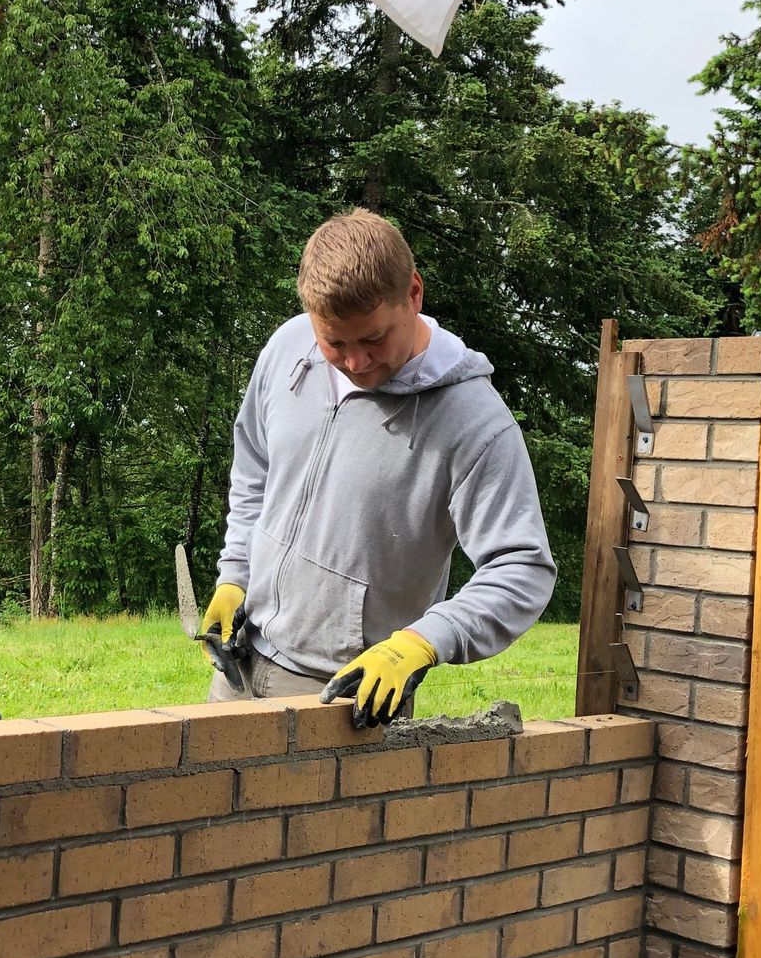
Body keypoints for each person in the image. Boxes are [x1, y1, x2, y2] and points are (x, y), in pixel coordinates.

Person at [199, 208, 556, 725]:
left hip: (344, 701)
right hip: (238, 666)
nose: (355, 363)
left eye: (373, 339)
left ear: (413, 294)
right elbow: (254, 465)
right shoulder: (288, 348)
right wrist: (235, 574)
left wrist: (423, 641)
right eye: (335, 344)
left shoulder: (474, 422)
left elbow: (522, 568)